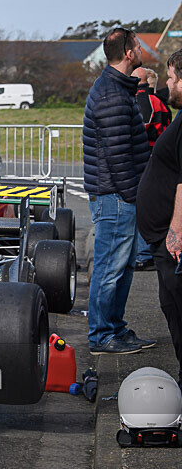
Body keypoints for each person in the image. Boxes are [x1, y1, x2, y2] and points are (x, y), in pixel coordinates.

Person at [82, 28, 153, 355]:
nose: (140, 50)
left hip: (117, 195)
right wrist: (133, 195)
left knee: (120, 267)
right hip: (115, 196)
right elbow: (118, 156)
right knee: (110, 268)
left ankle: (115, 329)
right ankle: (101, 336)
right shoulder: (111, 94)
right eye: (137, 45)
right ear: (128, 53)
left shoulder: (116, 87)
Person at [137, 49, 182, 387]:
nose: (167, 85)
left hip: (171, 237)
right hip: (159, 234)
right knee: (171, 306)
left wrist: (176, 231)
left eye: (171, 78)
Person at [133, 67, 172, 270]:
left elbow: (143, 126)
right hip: (157, 155)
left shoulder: (145, 101)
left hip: (147, 156)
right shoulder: (160, 102)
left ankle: (143, 253)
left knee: (142, 205)